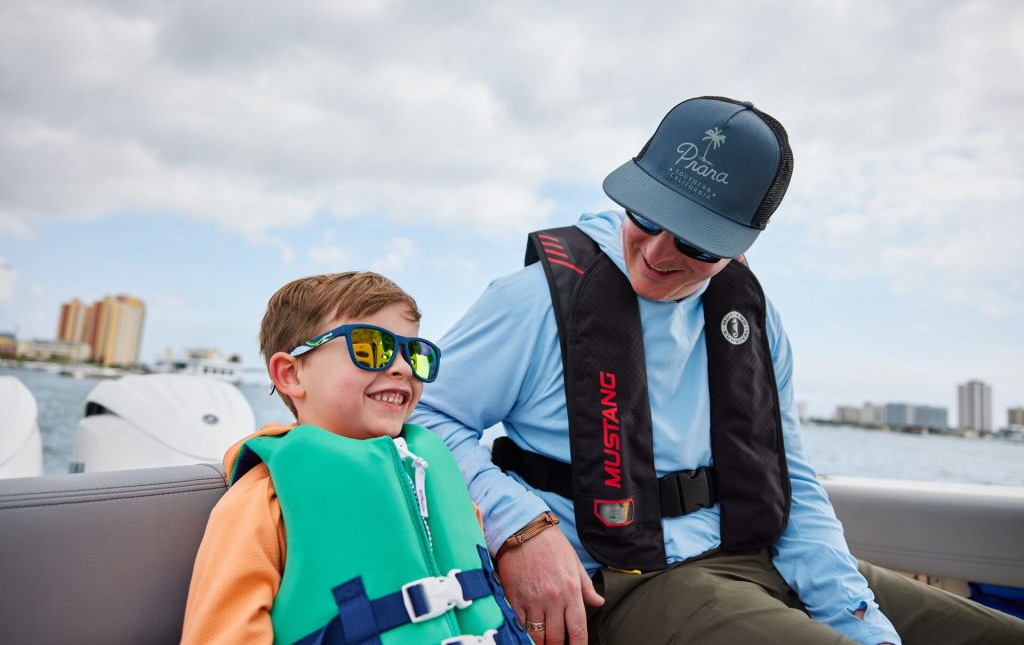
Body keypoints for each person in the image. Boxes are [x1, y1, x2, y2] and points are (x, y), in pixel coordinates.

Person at [410, 97, 1024, 644]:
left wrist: (855, 615)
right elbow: (421, 413)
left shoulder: (753, 319)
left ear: (743, 243)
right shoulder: (533, 300)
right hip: (630, 581)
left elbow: (791, 477)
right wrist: (519, 526)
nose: (654, 253)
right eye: (645, 216)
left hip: (754, 556)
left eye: (695, 243)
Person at [182, 271, 530, 644]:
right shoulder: (263, 500)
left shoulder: (432, 475)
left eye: (415, 354)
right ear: (291, 375)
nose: (402, 367)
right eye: (370, 349)